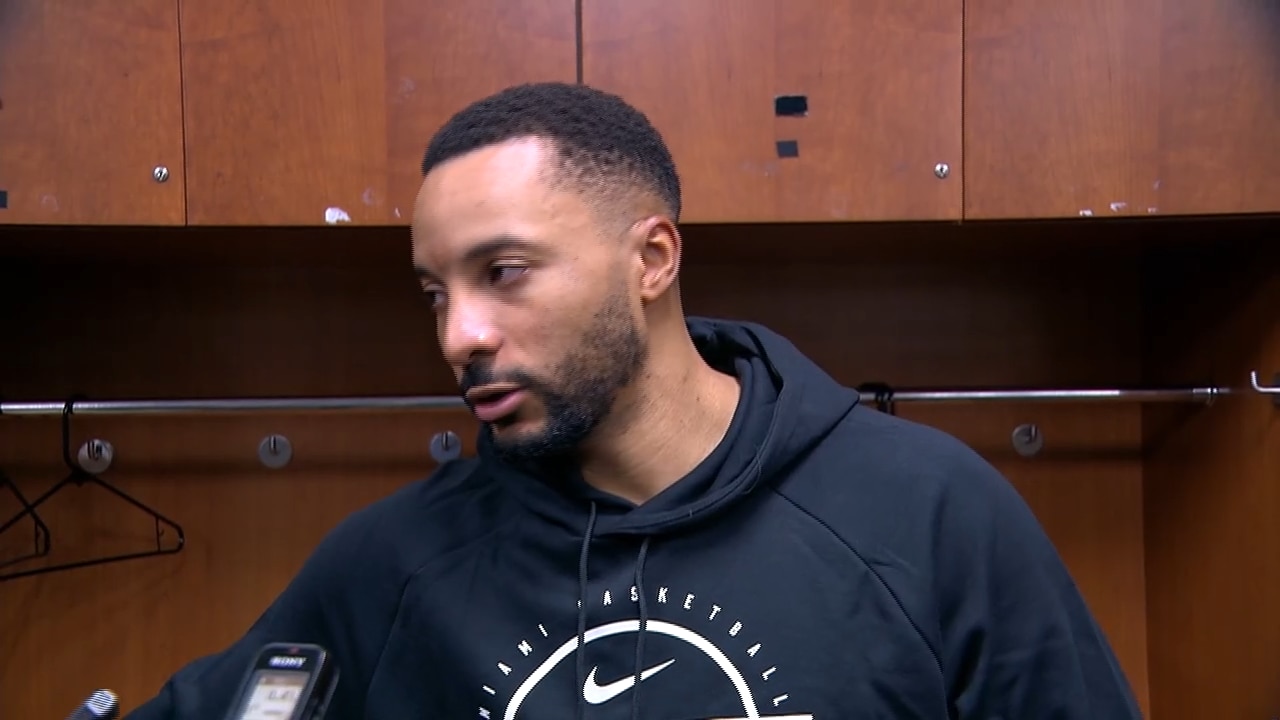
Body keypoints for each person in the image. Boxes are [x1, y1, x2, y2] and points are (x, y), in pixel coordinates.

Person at [127, 82, 1142, 719]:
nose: (459, 335)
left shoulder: (930, 513)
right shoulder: (387, 566)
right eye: (436, 292)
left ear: (651, 259)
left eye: (504, 273)